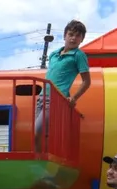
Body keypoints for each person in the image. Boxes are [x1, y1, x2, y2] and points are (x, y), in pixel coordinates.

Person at [35, 19, 91, 153]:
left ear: (82, 39)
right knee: (42, 134)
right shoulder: (54, 54)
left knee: (38, 131)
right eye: (71, 34)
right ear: (65, 35)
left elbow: (86, 81)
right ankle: (41, 162)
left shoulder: (79, 55)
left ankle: (40, 163)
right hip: (42, 97)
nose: (74, 38)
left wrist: (74, 98)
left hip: (57, 99)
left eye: (78, 36)